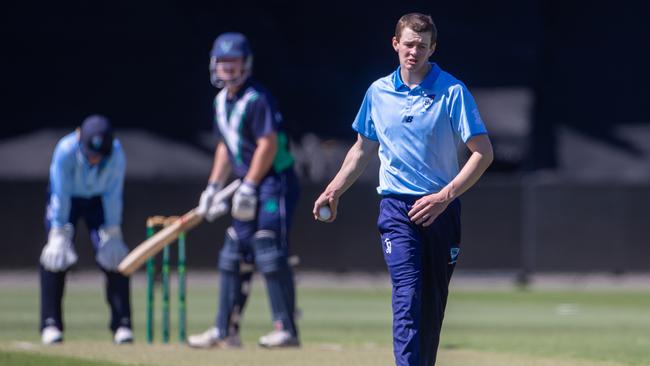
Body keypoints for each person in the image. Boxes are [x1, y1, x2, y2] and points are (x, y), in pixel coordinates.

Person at [313, 13, 493, 366]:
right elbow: (362, 149)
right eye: (408, 44)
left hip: (441, 207)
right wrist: (334, 189)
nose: (414, 52)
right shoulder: (378, 92)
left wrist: (445, 196)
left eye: (422, 46)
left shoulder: (452, 90)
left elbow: (483, 153)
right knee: (407, 295)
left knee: (432, 303)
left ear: (433, 49)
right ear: (395, 43)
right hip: (397, 209)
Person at [188, 32, 300, 349]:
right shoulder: (221, 102)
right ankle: (225, 330)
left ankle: (286, 328)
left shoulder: (257, 99)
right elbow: (226, 146)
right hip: (246, 183)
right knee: (234, 251)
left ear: (245, 64)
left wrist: (250, 185)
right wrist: (213, 187)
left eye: (233, 62)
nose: (227, 68)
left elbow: (268, 144)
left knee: (268, 249)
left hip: (274, 181)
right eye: (222, 62)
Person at [39, 115, 132, 345]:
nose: (94, 160)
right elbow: (59, 192)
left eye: (99, 156)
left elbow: (113, 194)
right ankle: (50, 323)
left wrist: (112, 231)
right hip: (68, 199)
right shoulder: (65, 150)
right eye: (90, 154)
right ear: (79, 137)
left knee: (115, 255)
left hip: (99, 201)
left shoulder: (116, 155)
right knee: (54, 256)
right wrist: (58, 230)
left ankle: (122, 323)